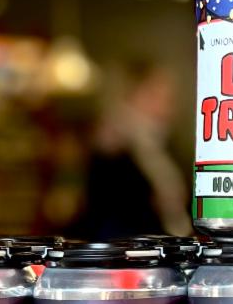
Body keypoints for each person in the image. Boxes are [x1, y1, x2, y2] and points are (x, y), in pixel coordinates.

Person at [72, 61, 191, 240]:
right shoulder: (110, 142)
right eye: (155, 94)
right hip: (123, 245)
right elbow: (108, 208)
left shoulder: (168, 144)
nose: (166, 105)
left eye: (170, 97)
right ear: (132, 93)